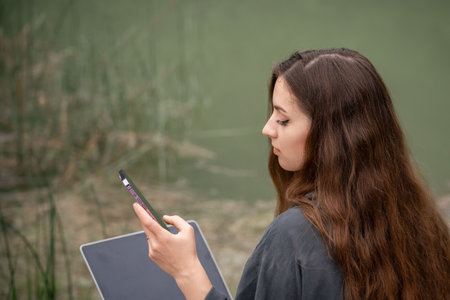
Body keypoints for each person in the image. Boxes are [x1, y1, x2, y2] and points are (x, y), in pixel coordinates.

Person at [133, 48, 450, 300]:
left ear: (334, 135)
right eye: (272, 114)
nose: (267, 128)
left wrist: (186, 271)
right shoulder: (421, 222)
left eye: (283, 120)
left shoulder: (293, 236)